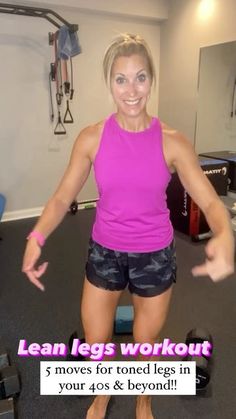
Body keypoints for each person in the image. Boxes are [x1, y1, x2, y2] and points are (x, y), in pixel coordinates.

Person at [22, 33, 235, 419]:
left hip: (154, 255)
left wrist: (224, 233)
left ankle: (143, 398)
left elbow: (208, 199)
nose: (131, 89)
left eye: (140, 77)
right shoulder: (92, 138)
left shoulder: (173, 142)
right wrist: (36, 237)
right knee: (97, 340)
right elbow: (59, 198)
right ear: (110, 84)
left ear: (151, 80)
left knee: (145, 341)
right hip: (105, 251)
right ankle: (102, 394)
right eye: (121, 79)